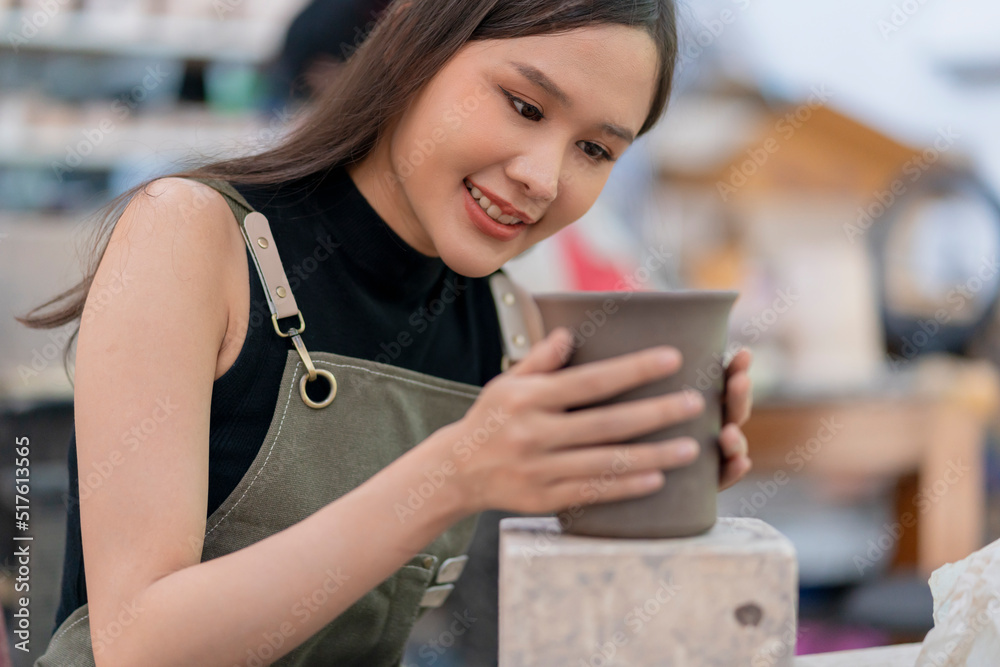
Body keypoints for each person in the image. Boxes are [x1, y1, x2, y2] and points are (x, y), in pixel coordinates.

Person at [20, 1, 754, 664]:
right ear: (415, 49)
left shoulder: (508, 323)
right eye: (525, 106)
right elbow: (137, 643)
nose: (543, 176)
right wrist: (451, 474)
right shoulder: (191, 233)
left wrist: (659, 476)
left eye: (594, 149)